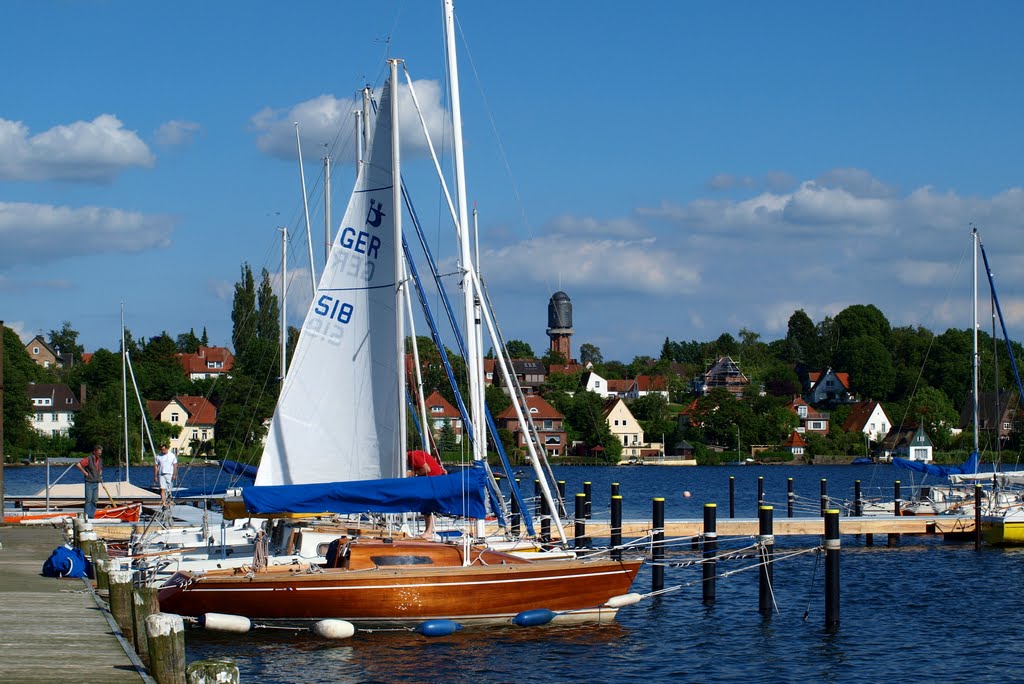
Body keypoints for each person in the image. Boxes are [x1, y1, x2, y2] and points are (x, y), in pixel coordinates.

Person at [406, 450, 446, 539]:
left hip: (434, 481)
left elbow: (426, 469)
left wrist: (412, 473)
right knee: (426, 506)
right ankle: (428, 531)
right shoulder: (413, 455)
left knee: (429, 506)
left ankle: (429, 532)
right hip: (434, 480)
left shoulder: (413, 456)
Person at [75, 445, 103, 519]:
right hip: (89, 482)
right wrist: (85, 472)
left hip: (96, 482)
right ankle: (86, 517)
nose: (100, 453)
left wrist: (100, 474)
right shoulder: (89, 459)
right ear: (94, 452)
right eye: (99, 452)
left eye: (101, 452)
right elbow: (78, 464)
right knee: (88, 500)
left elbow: (101, 468)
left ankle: (91, 516)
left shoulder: (100, 460)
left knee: (95, 500)